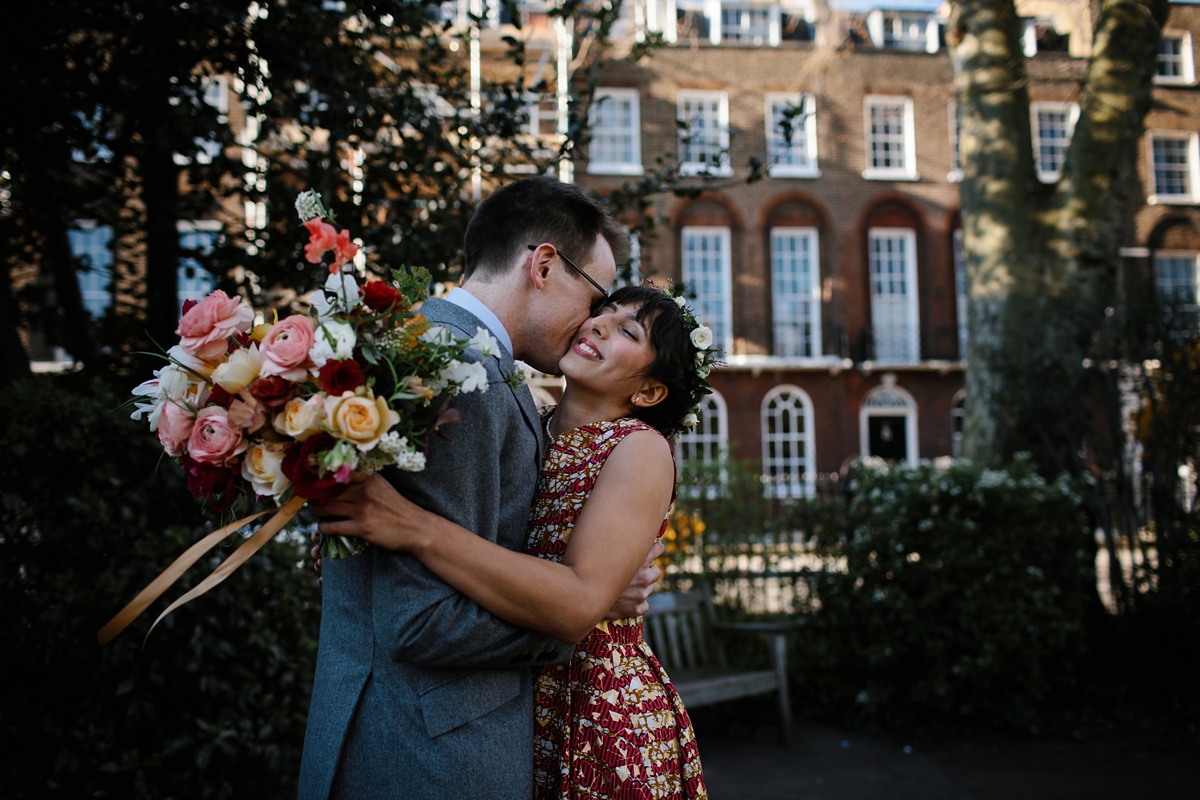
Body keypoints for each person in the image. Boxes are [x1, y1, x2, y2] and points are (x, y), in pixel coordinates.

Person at [297, 177, 664, 800]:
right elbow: (424, 623)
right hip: (433, 756)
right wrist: (584, 607)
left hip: (392, 737)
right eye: (598, 297)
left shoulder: (425, 342)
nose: (595, 322)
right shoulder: (466, 377)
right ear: (544, 265)